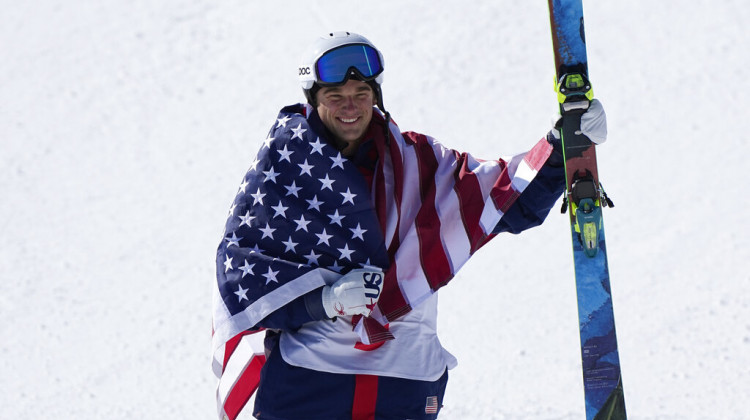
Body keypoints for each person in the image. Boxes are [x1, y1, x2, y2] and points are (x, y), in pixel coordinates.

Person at [212, 31, 607, 420]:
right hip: (312, 382)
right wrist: (326, 301)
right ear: (313, 100)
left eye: (361, 94)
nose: (350, 106)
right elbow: (247, 280)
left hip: (404, 381)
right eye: (335, 96)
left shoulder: (419, 163)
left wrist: (562, 148)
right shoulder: (285, 171)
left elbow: (502, 200)